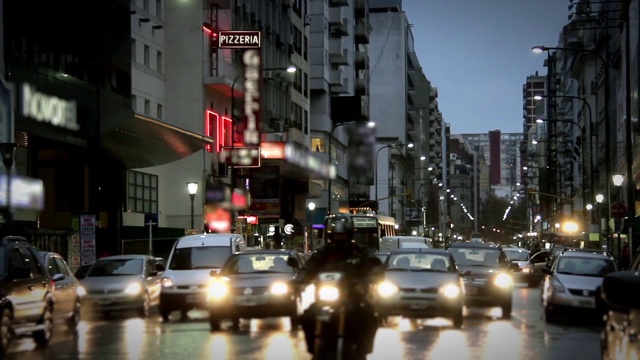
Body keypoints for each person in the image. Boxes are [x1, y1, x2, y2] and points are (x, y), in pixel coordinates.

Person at [298, 213, 383, 359]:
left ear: (350, 234)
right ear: (331, 235)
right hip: (326, 299)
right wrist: (298, 282)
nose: (339, 238)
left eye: (343, 235)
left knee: (369, 315)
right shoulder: (324, 253)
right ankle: (314, 348)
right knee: (307, 316)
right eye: (337, 235)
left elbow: (375, 266)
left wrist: (369, 279)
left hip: (354, 297)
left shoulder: (359, 252)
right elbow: (308, 268)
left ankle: (362, 349)